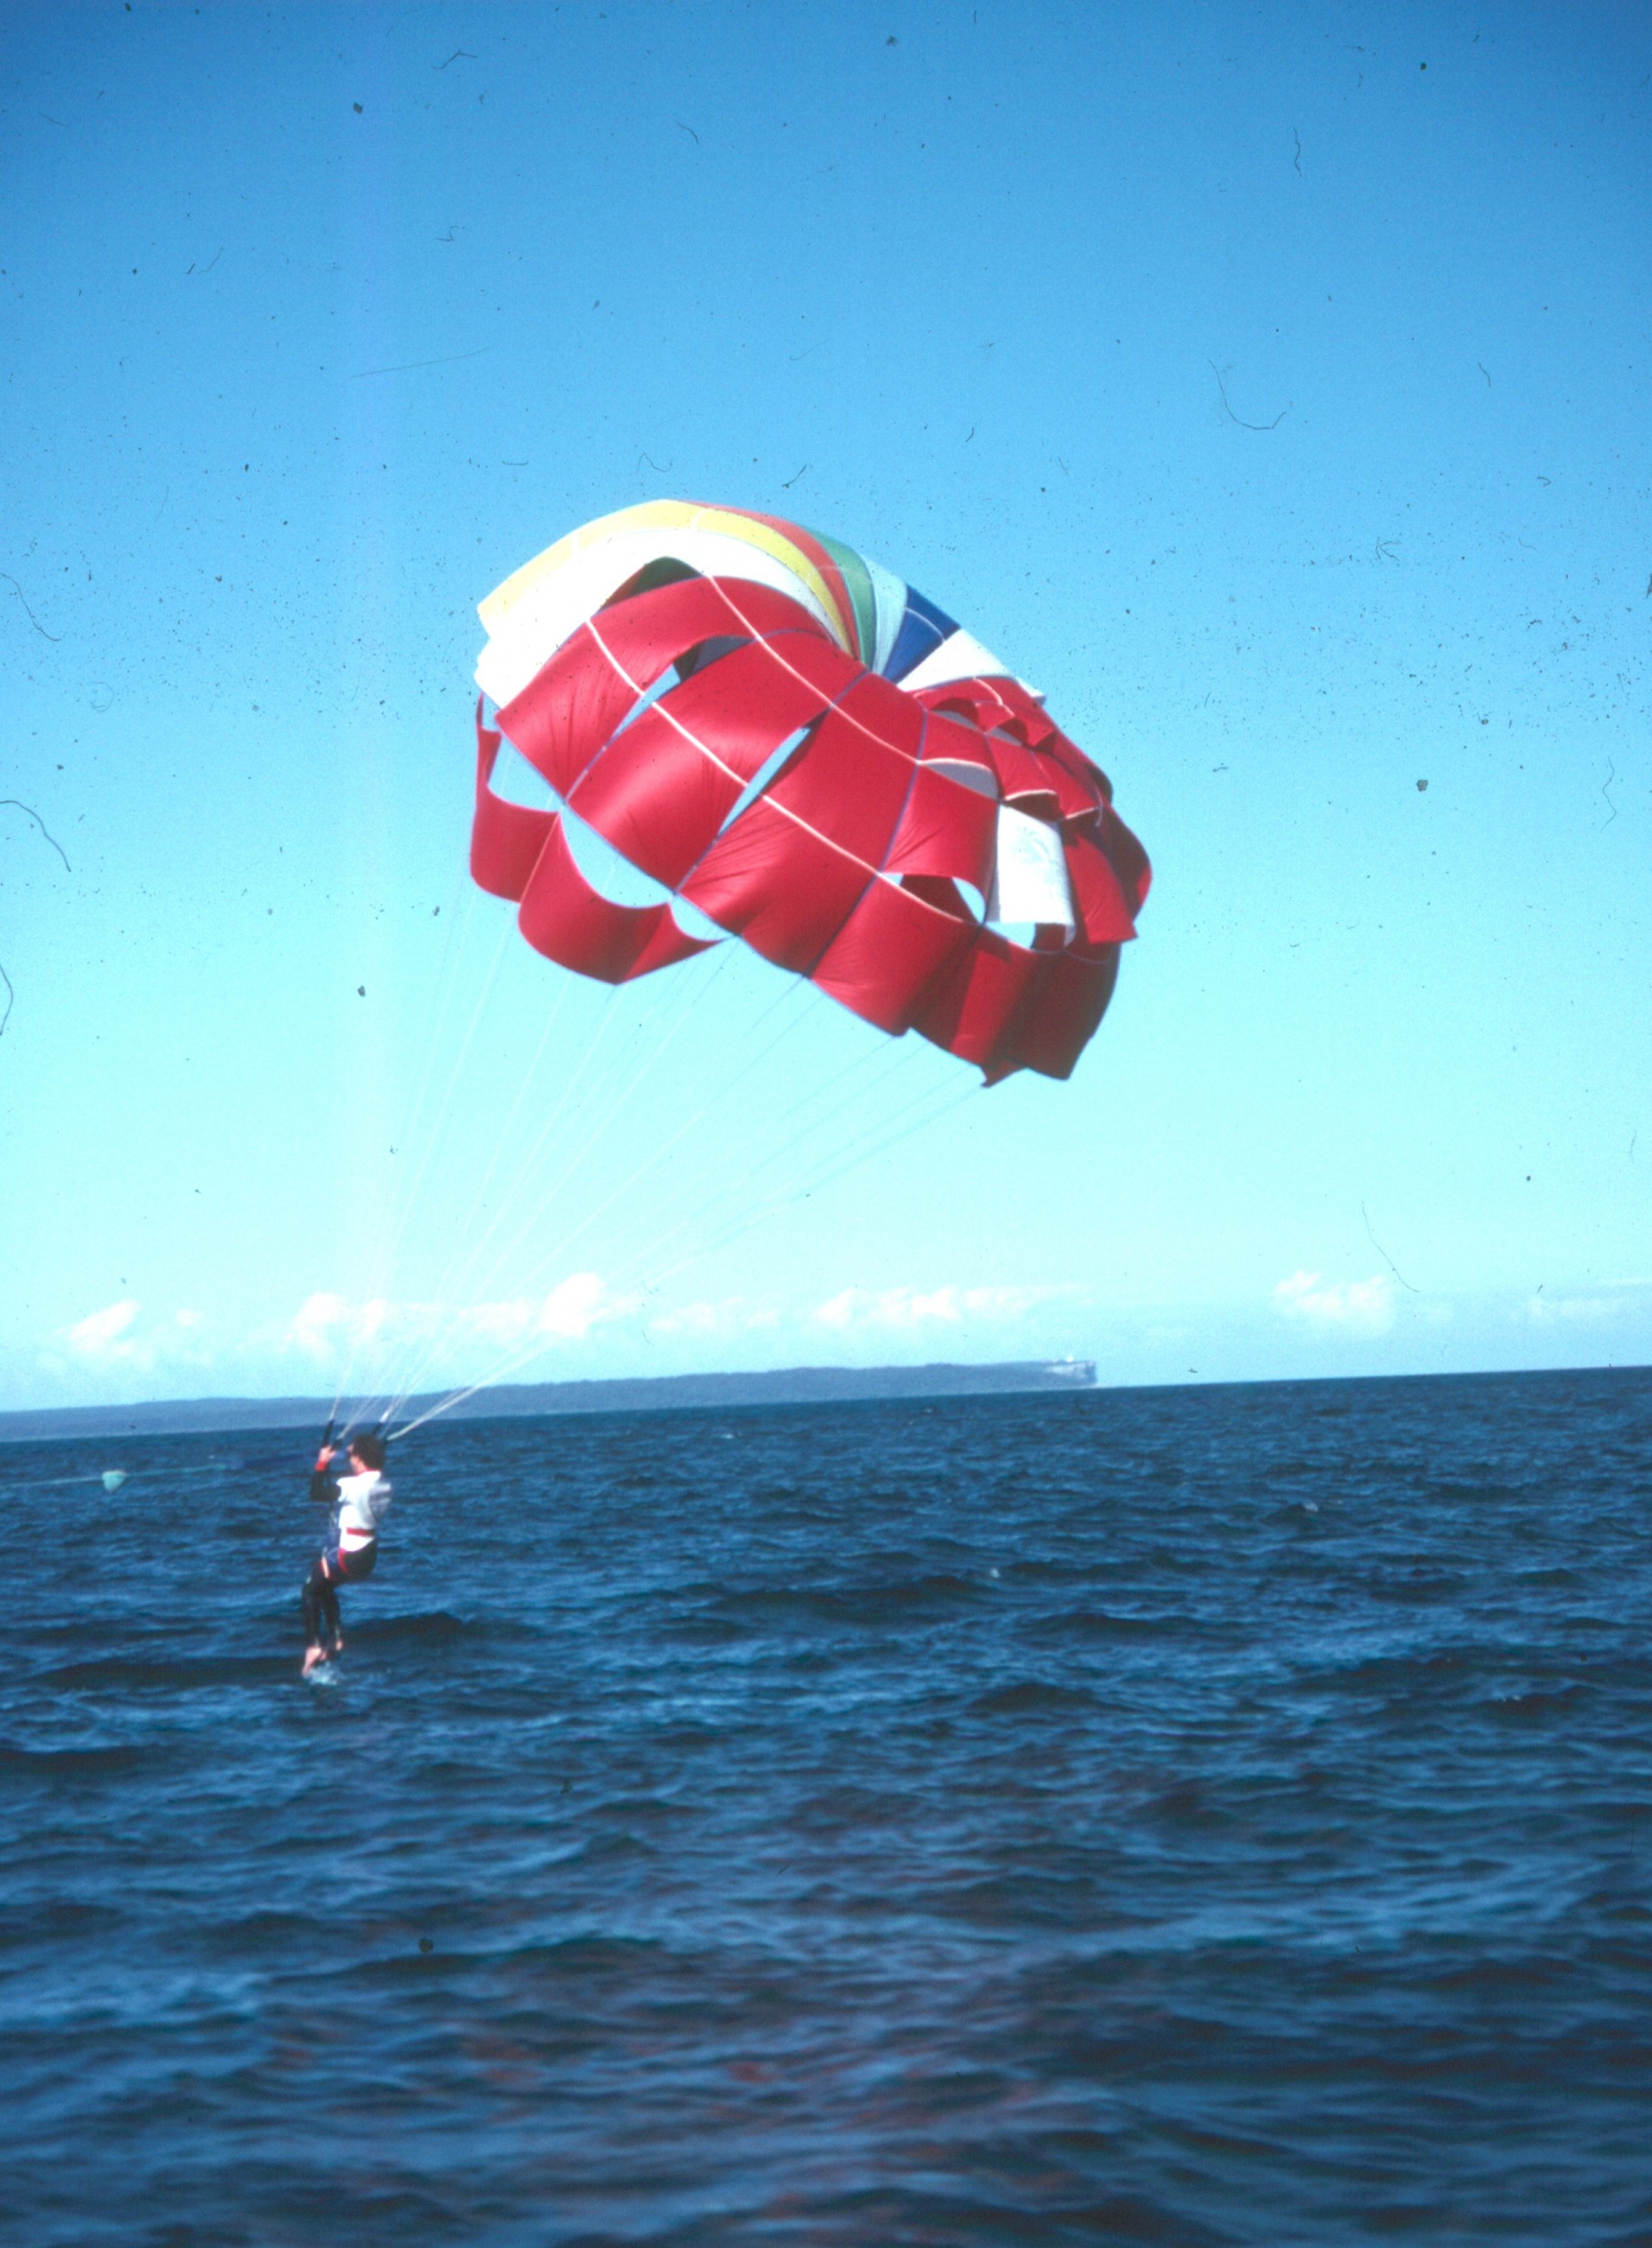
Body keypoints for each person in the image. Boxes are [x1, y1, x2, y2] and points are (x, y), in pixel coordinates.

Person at [301, 1430, 392, 1675]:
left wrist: (322, 1462)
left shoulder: (352, 1485)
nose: (348, 1458)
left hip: (349, 1555)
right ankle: (336, 1637)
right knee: (326, 1585)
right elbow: (367, 1475)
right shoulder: (385, 1484)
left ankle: (313, 1646)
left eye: (351, 1454)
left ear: (360, 1458)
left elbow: (316, 1493)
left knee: (310, 1588)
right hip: (369, 1557)